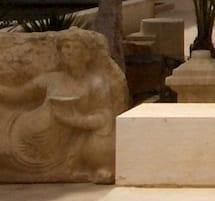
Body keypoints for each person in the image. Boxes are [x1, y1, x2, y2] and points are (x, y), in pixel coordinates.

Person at [0, 28, 125, 183]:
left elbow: (104, 117)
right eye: (66, 47)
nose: (69, 52)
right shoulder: (50, 79)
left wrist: (75, 120)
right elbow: (17, 95)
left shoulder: (96, 82)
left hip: (62, 147)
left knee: (102, 138)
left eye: (75, 47)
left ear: (87, 54)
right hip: (20, 132)